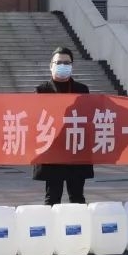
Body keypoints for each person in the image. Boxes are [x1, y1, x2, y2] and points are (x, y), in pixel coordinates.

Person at [33, 47, 93, 205]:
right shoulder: (42, 91)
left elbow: (89, 118)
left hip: (76, 150)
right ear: (51, 66)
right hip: (53, 152)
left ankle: (79, 222)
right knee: (52, 198)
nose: (63, 66)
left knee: (77, 198)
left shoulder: (82, 90)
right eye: (59, 62)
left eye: (67, 63)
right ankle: (51, 222)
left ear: (72, 66)